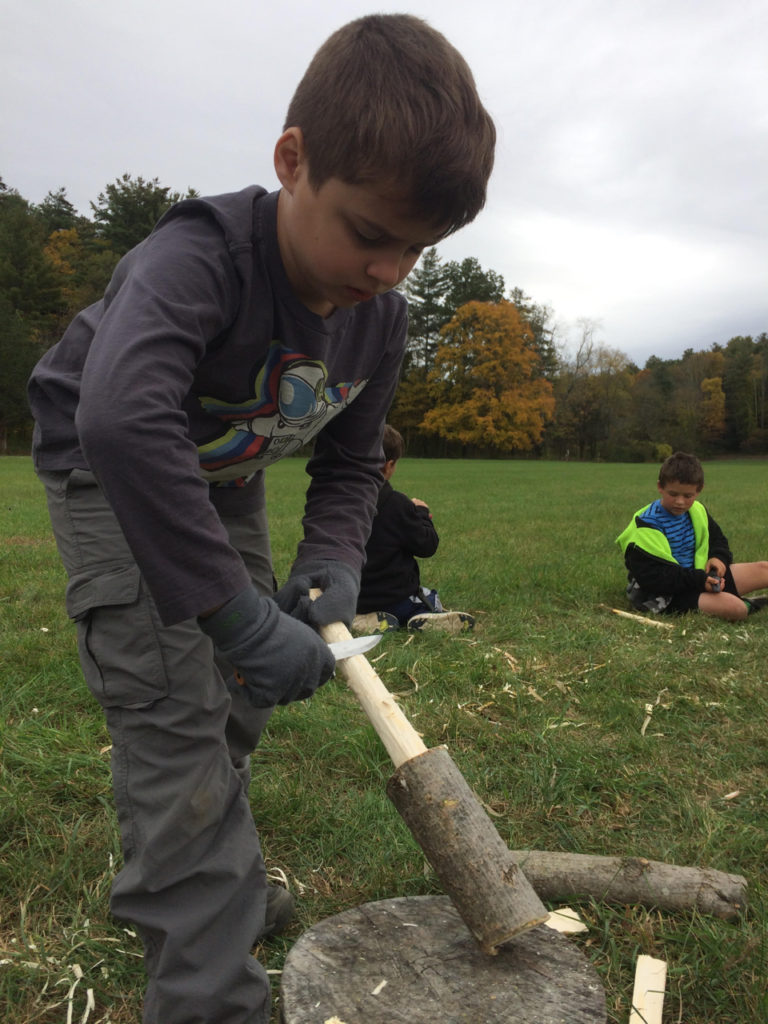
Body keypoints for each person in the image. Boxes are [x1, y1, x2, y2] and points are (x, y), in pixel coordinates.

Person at [26, 15, 495, 1024]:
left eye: (417, 249)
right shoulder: (198, 257)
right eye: (370, 233)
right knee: (174, 709)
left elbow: (352, 458)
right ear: (292, 161)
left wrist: (327, 558)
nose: (387, 269)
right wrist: (231, 611)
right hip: (111, 472)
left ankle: (202, 875)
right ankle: (207, 987)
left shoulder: (384, 314)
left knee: (239, 697)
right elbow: (119, 416)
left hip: (221, 479)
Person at [616, 451, 768, 621]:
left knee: (764, 569)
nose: (680, 502)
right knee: (736, 609)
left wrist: (718, 558)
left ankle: (723, 597)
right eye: (673, 494)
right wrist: (700, 580)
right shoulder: (645, 525)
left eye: (688, 496)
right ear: (660, 487)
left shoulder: (697, 511)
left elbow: (718, 541)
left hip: (700, 577)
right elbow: (654, 579)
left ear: (699, 490)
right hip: (665, 594)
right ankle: (747, 603)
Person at [353, 425, 475, 634]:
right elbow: (427, 545)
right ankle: (424, 615)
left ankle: (362, 620)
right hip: (395, 599)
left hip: (352, 598)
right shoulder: (397, 504)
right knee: (429, 597)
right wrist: (421, 513)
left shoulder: (343, 503)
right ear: (389, 465)